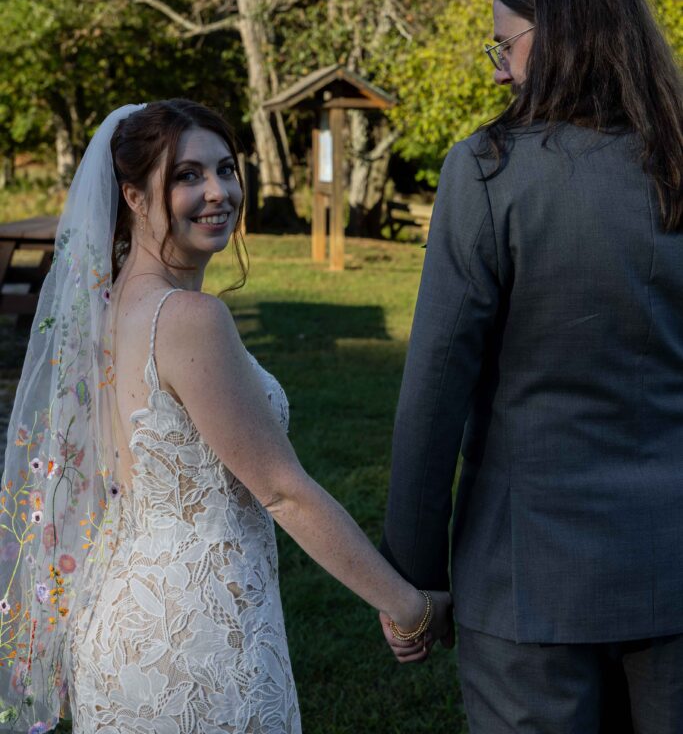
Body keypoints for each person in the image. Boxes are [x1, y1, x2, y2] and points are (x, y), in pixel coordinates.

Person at [0, 99, 450, 734]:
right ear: (132, 196)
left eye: (226, 169)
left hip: (119, 623)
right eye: (186, 176)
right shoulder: (189, 319)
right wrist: (409, 606)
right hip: (194, 633)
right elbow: (281, 491)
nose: (218, 192)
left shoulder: (104, 307)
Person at [380, 0, 683, 733]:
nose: (495, 69)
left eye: (503, 43)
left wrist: (411, 573)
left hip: (527, 580)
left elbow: (434, 388)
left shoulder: (488, 171)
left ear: (559, 37)